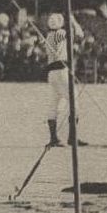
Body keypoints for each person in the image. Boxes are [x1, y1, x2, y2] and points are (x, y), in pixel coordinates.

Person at [41, 14, 86, 147]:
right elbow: (80, 34)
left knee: (55, 103)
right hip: (62, 71)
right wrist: (73, 20)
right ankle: (72, 137)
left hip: (51, 72)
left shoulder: (49, 36)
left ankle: (54, 137)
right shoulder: (61, 33)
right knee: (74, 102)